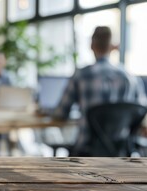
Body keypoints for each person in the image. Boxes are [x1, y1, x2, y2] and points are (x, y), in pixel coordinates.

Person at [52, 26, 145, 156]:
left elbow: (61, 113)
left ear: (91, 46)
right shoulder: (130, 78)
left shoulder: (81, 75)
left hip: (86, 155)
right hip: (121, 156)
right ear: (113, 47)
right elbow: (141, 114)